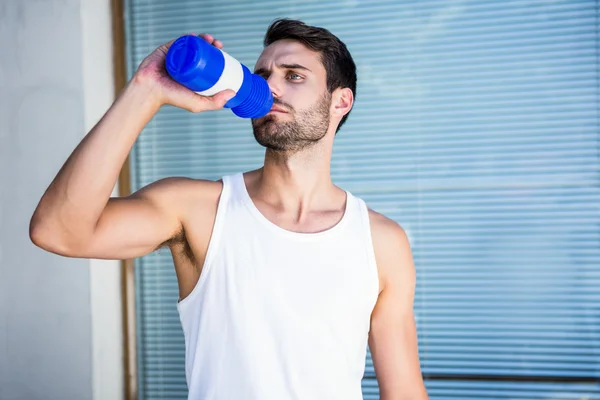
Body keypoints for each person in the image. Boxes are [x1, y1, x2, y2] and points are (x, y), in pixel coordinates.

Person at [30, 18, 429, 400]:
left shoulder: (381, 240)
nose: (271, 87)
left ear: (340, 101)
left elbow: (405, 391)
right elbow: (57, 230)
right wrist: (145, 90)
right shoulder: (195, 209)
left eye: (293, 76)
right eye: (263, 75)